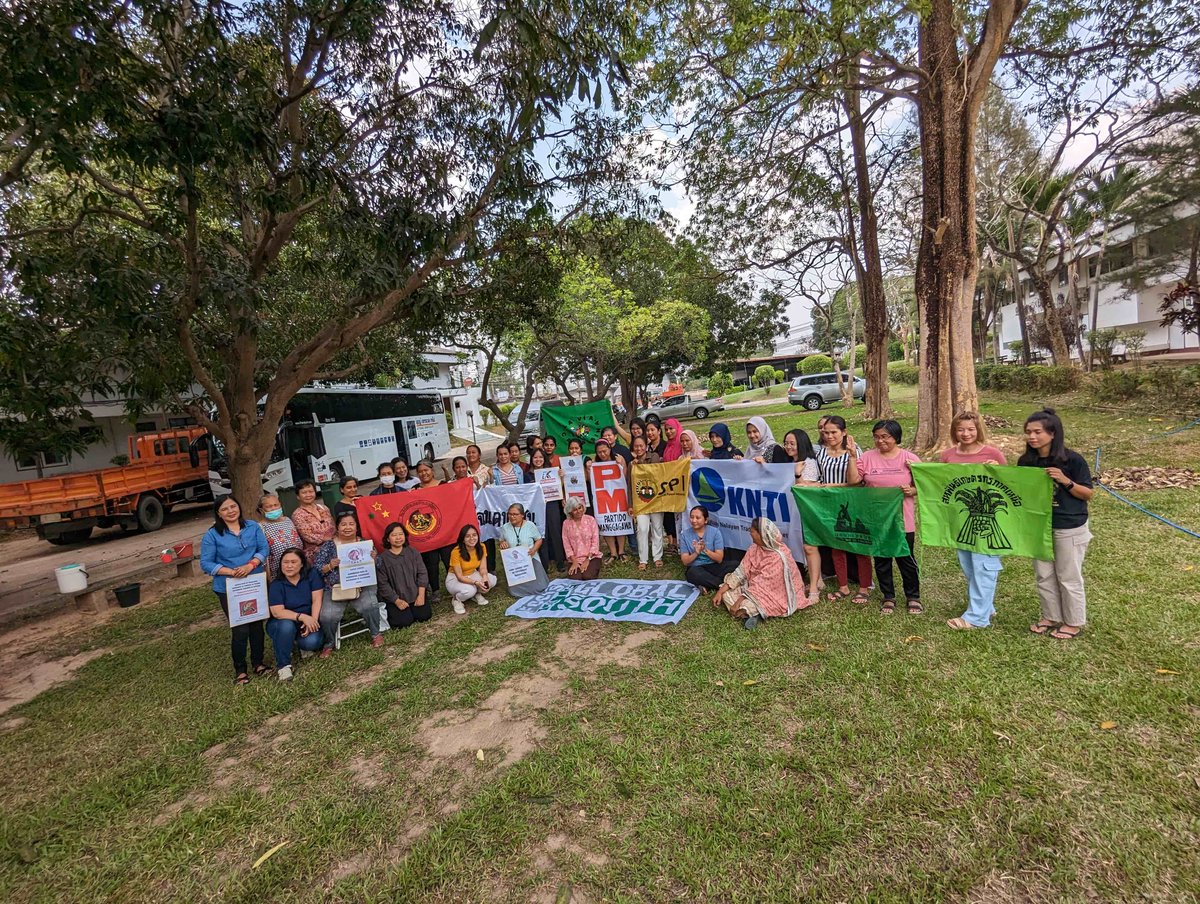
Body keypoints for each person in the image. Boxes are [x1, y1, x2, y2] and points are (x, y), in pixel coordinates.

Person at [1020, 409, 1094, 640]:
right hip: (1039, 526)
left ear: (1052, 433)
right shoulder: (1026, 462)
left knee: (1068, 575)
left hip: (1068, 526)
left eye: (1037, 432)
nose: (1032, 437)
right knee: (1044, 574)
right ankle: (1050, 616)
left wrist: (1065, 481)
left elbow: (1087, 494)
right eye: (1028, 432)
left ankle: (1073, 621)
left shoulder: (1072, 460)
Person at [941, 412, 1008, 630]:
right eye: (961, 429)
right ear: (954, 431)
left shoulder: (993, 454)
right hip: (961, 520)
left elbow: (1009, 486)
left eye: (971, 429)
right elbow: (941, 485)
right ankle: (986, 606)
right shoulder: (948, 455)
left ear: (979, 429)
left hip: (988, 521)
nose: (966, 433)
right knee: (969, 565)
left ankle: (977, 618)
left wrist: (996, 470)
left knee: (984, 565)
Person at [200, 496, 270, 684]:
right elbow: (206, 563)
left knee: (256, 625)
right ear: (218, 513)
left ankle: (258, 663)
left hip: (253, 582)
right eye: (225, 509)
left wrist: (251, 565)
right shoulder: (212, 535)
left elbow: (264, 549)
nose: (231, 511)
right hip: (229, 587)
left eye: (233, 506)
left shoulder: (253, 527)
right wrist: (230, 572)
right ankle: (240, 670)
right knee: (240, 628)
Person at [859, 420, 922, 615]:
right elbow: (854, 480)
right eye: (877, 436)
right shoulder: (867, 457)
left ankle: (913, 596)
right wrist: (853, 457)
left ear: (896, 437)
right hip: (876, 519)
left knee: (906, 558)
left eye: (885, 436)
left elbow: (926, 485)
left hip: (903, 519)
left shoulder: (909, 458)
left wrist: (911, 490)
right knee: (882, 558)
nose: (880, 441)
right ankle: (888, 596)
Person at [814, 416, 873, 602]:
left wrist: (833, 485)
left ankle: (864, 587)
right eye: (826, 432)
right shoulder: (821, 453)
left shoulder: (854, 451)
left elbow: (857, 481)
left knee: (859, 545)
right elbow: (819, 477)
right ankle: (843, 586)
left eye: (834, 432)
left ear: (844, 432)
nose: (829, 436)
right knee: (836, 546)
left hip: (853, 503)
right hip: (829, 505)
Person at [713, 517, 811, 630]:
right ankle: (752, 614)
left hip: (776, 594)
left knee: (746, 605)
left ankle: (752, 612)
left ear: (761, 534)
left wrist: (738, 601)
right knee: (726, 592)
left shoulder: (778, 556)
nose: (750, 532)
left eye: (752, 531)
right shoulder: (754, 548)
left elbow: (762, 586)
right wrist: (720, 592)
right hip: (754, 588)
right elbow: (741, 571)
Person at [313, 512, 385, 654]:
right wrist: (330, 565)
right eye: (343, 524)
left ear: (356, 526)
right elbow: (317, 567)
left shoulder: (364, 543)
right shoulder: (329, 546)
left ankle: (376, 634)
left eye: (351, 524)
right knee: (327, 616)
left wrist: (375, 558)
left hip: (361, 586)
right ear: (337, 527)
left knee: (369, 605)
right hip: (336, 589)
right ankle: (329, 643)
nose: (347, 527)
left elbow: (379, 565)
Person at [266, 547, 325, 681]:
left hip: (308, 619)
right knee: (286, 627)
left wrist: (312, 621)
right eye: (285, 562)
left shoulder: (312, 575)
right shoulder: (277, 584)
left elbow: (317, 600)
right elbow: (277, 612)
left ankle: (295, 643)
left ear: (302, 563)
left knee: (312, 643)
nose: (289, 566)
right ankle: (284, 666)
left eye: (293, 562)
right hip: (282, 621)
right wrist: (302, 617)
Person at [781, 429, 824, 598]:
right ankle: (817, 579)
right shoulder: (791, 462)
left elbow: (805, 487)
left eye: (792, 443)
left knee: (809, 546)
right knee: (803, 546)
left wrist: (797, 473)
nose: (788, 447)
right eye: (786, 443)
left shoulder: (808, 462)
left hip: (808, 511)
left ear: (801, 443)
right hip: (794, 511)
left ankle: (815, 585)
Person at [376, 522, 432, 628]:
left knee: (424, 616)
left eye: (400, 534)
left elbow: (422, 573)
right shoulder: (383, 559)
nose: (398, 538)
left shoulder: (413, 552)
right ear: (388, 539)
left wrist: (421, 595)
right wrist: (396, 600)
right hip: (396, 599)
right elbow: (383, 584)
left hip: (415, 595)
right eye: (394, 535)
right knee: (404, 622)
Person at [412, 460, 452, 599]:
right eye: (420, 471)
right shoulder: (414, 489)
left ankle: (454, 586)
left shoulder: (443, 486)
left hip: (445, 531)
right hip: (427, 532)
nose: (424, 473)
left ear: (432, 470)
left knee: (449, 560)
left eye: (426, 470)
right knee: (431, 563)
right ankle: (435, 590)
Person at [629, 436, 665, 570]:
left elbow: (655, 472)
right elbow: (629, 485)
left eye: (641, 445)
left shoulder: (654, 456)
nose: (639, 448)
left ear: (646, 445)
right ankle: (643, 559)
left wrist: (639, 463)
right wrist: (630, 505)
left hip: (655, 500)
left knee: (657, 527)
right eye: (636, 446)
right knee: (642, 529)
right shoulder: (631, 464)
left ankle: (657, 557)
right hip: (640, 501)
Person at [499, 503, 550, 597]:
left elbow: (539, 539)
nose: (512, 517)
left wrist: (534, 550)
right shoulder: (505, 527)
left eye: (515, 514)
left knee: (540, 587)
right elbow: (501, 540)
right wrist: (502, 543)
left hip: (530, 558)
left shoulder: (530, 525)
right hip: (514, 562)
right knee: (514, 590)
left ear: (522, 515)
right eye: (510, 514)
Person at [679, 506, 735, 591]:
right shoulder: (685, 535)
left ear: (705, 520)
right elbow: (685, 561)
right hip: (697, 567)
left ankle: (706, 584)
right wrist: (696, 553)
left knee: (735, 565)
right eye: (692, 517)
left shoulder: (715, 532)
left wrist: (705, 550)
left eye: (697, 518)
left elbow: (719, 559)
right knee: (692, 573)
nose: (694, 520)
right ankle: (721, 586)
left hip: (713, 565)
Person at [530, 447, 567, 574]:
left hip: (551, 504)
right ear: (531, 459)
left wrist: (561, 478)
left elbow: (558, 488)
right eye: (535, 457)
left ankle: (560, 561)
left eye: (540, 457)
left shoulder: (551, 471)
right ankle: (544, 564)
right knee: (540, 533)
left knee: (555, 531)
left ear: (544, 459)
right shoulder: (528, 474)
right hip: (536, 507)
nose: (538, 460)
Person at [445, 524, 496, 614]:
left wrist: (484, 577)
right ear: (463, 539)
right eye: (467, 536)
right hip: (455, 578)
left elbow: (483, 568)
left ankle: (475, 594)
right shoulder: (456, 552)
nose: (472, 538)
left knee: (491, 580)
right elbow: (460, 576)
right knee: (469, 591)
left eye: (474, 535)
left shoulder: (482, 546)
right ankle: (456, 600)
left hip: (472, 573)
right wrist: (476, 583)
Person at [592, 439, 628, 561]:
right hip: (602, 497)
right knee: (605, 523)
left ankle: (621, 551)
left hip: (618, 495)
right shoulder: (593, 464)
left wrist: (621, 465)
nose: (602, 454)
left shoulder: (619, 458)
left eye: (605, 451)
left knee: (620, 522)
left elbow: (625, 476)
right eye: (599, 452)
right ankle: (613, 552)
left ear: (610, 449)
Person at [257, 493, 302, 578]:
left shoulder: (287, 520)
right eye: (269, 506)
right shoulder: (260, 527)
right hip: (278, 574)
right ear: (261, 510)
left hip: (298, 570)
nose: (274, 508)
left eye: (276, 505)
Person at [291, 478, 334, 566]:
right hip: (316, 554)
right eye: (304, 492)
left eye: (311, 491)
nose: (308, 495)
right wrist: (328, 539)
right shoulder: (298, 514)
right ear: (298, 496)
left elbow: (333, 526)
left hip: (333, 547)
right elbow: (308, 536)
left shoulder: (323, 508)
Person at [562, 496, 603, 580]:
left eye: (580, 508)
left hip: (592, 557)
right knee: (576, 579)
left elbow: (595, 542)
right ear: (570, 512)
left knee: (587, 576)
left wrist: (587, 560)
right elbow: (566, 545)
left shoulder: (590, 520)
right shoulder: (566, 523)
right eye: (575, 510)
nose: (578, 511)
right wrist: (574, 562)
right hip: (575, 559)